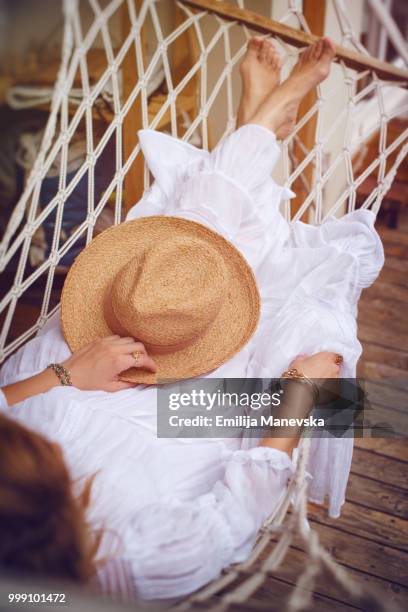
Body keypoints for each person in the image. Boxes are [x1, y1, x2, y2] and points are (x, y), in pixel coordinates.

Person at [0, 37, 383, 600]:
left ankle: (258, 123)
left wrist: (64, 378)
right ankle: (261, 121)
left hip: (67, 381)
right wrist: (299, 395)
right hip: (183, 421)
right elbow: (243, 502)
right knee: (209, 290)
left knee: (163, 272)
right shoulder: (140, 561)